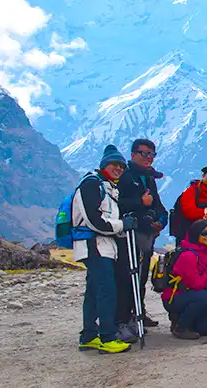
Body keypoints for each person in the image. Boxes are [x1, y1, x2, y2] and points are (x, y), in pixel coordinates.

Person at [73, 145, 133, 354]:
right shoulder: (91, 184)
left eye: (122, 166)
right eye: (114, 164)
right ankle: (107, 337)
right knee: (106, 290)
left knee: (93, 291)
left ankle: (89, 335)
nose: (118, 168)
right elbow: (94, 221)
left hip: (102, 247)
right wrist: (121, 226)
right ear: (104, 165)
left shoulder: (107, 187)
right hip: (94, 246)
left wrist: (121, 226)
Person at [115, 138, 167, 337]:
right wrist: (141, 202)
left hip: (146, 235)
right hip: (130, 237)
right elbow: (119, 204)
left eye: (151, 154)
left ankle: (139, 311)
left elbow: (158, 205)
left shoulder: (148, 178)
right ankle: (127, 317)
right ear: (132, 155)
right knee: (130, 276)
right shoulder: (126, 177)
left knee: (142, 275)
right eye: (144, 153)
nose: (148, 158)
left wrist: (160, 221)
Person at [162, 219, 207, 340]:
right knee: (206, 297)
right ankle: (181, 327)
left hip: (190, 296)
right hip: (175, 297)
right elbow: (197, 284)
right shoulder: (189, 255)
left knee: (206, 328)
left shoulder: (206, 251)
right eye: (204, 233)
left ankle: (179, 317)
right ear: (196, 235)